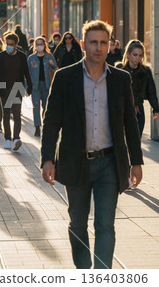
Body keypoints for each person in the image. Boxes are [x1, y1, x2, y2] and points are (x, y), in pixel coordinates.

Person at [41, 20, 143, 269]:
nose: (98, 47)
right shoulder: (65, 77)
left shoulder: (120, 79)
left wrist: (137, 162)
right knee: (77, 223)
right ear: (83, 44)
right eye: (93, 42)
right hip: (75, 162)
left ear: (109, 46)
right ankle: (84, 272)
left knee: (105, 224)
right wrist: (47, 159)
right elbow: (51, 121)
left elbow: (130, 123)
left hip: (109, 162)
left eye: (103, 42)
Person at [0, 32, 32, 151]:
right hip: (4, 89)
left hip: (17, 88)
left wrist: (29, 86)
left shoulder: (21, 56)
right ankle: (7, 139)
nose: (9, 46)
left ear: (16, 45)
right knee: (5, 114)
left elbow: (26, 71)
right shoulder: (0, 56)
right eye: (7, 44)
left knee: (16, 114)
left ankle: (16, 138)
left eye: (12, 44)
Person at [116, 40, 159, 136]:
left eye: (140, 55)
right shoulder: (119, 70)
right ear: (128, 54)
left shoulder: (145, 72)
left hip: (139, 111)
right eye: (135, 55)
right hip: (122, 110)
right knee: (122, 141)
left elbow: (151, 91)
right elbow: (114, 93)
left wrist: (156, 109)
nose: (137, 58)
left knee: (136, 140)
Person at [27, 37, 58, 137]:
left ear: (44, 45)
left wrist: (52, 65)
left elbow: (57, 70)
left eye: (41, 44)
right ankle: (37, 127)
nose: (40, 46)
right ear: (35, 46)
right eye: (38, 44)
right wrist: (27, 87)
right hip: (35, 86)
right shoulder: (31, 58)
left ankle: (45, 126)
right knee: (36, 106)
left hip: (47, 85)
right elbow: (28, 74)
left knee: (46, 107)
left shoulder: (49, 56)